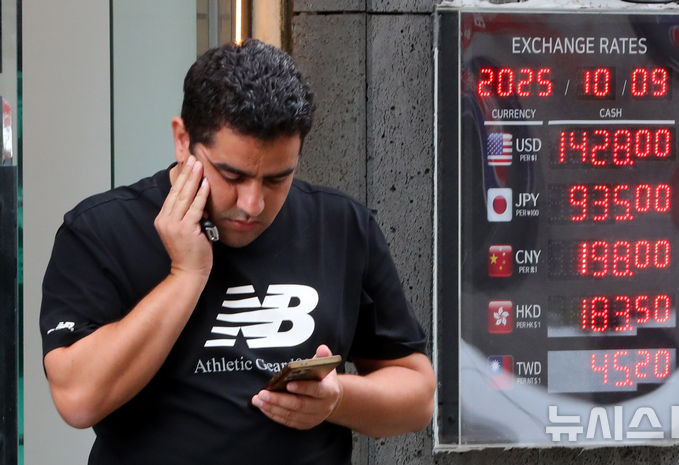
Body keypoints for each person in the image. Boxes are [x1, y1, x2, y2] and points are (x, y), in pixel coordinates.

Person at [40, 39, 435, 464]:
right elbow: (78, 399)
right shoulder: (102, 230)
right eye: (232, 176)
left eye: (277, 179)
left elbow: (418, 398)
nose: (252, 204)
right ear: (182, 140)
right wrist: (185, 276)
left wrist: (337, 398)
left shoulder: (339, 225)